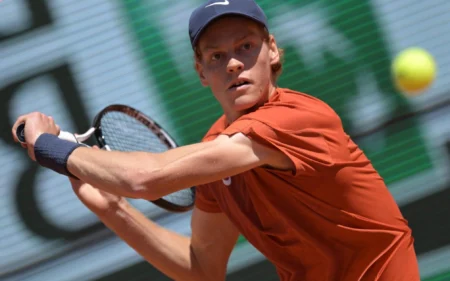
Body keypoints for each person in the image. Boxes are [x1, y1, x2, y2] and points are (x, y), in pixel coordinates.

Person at [12, 0, 421, 280]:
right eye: (216, 56)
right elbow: (201, 267)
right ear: (201, 72)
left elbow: (144, 179)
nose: (234, 64)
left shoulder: (299, 120)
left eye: (246, 46)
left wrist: (53, 148)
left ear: (273, 51)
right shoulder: (218, 149)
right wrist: (113, 209)